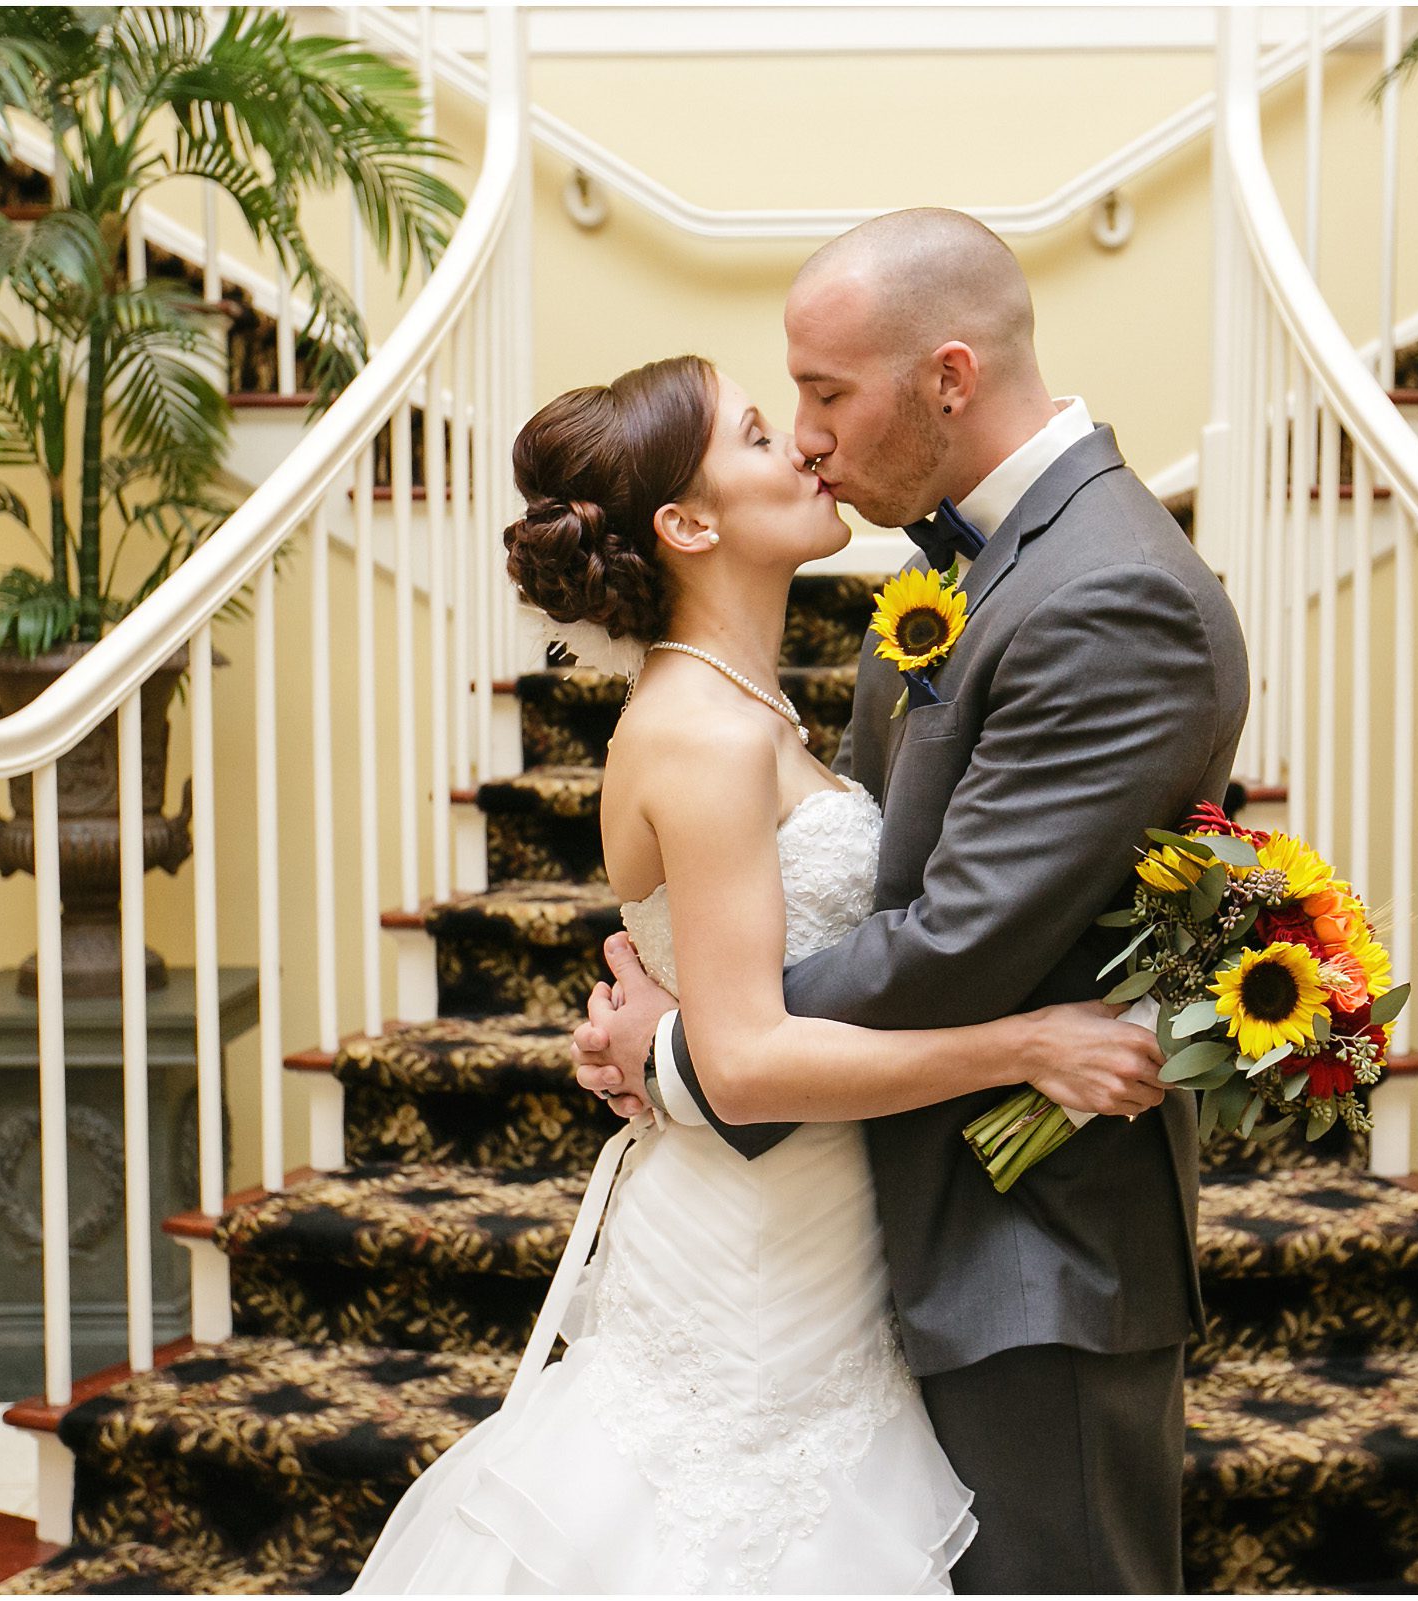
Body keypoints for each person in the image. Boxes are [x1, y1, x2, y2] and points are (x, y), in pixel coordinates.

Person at [348, 337, 1174, 1594]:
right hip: (751, 1258)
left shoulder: (756, 710)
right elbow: (745, 1056)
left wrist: (663, 1035)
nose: (796, 440)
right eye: (751, 431)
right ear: (685, 521)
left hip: (823, 1231)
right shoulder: (701, 734)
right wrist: (1028, 1044)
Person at [572, 208, 1248, 1593]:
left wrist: (698, 1048)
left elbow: (951, 945)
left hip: (1030, 1257)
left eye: (822, 395)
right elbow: (883, 881)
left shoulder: (1111, 588)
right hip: (885, 1231)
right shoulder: (961, 562)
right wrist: (717, 1029)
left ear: (947, 376)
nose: (809, 436)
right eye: (782, 410)